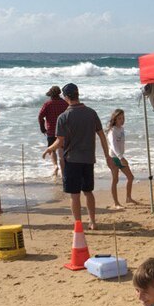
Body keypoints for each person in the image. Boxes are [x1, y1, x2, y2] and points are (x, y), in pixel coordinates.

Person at [42, 83, 114, 230]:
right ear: (78, 94)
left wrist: (50, 148)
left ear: (66, 97)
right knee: (88, 192)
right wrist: (107, 156)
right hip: (88, 159)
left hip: (71, 159)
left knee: (74, 195)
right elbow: (101, 135)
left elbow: (59, 141)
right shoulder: (91, 113)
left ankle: (78, 224)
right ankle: (93, 222)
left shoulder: (64, 117)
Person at [106, 109, 138, 208]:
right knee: (115, 179)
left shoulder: (122, 129)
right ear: (115, 119)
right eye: (119, 118)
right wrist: (121, 157)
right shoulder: (112, 131)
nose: (122, 120)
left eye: (123, 118)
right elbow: (113, 146)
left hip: (120, 156)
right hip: (114, 158)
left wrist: (122, 156)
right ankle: (116, 203)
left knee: (130, 177)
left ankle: (128, 198)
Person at [38, 86, 68, 177]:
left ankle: (55, 166)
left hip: (51, 130)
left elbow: (40, 116)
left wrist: (42, 128)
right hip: (63, 131)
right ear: (59, 94)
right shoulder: (65, 103)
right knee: (62, 152)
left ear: (51, 95)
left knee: (52, 150)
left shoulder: (47, 104)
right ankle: (64, 174)